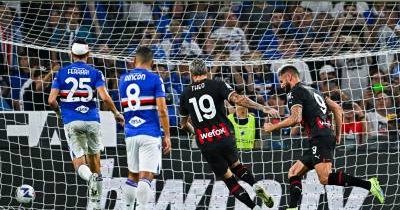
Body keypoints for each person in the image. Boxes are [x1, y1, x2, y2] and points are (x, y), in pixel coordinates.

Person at [263, 64, 385, 210]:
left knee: (325, 178)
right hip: (322, 136)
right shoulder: (314, 91)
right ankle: (292, 207)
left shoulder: (295, 92)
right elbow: (337, 108)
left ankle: (370, 184)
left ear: (289, 76)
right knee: (293, 172)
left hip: (319, 137)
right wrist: (338, 134)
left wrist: (272, 127)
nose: (282, 85)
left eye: (282, 81)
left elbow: (295, 118)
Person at [179, 59, 279, 210]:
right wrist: (262, 108)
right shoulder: (217, 84)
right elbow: (238, 99)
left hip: (207, 143)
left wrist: (195, 133)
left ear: (192, 74)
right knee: (237, 166)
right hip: (224, 136)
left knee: (229, 180)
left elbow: (183, 124)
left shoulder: (185, 94)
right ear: (206, 71)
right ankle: (255, 184)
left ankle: (254, 207)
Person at [48, 39, 124, 210]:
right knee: (96, 163)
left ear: (71, 54)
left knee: (79, 164)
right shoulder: (95, 72)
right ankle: (96, 205)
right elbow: (105, 97)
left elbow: (51, 100)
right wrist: (117, 113)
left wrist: (60, 112)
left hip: (71, 120)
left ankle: (89, 178)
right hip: (91, 120)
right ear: (88, 55)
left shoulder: (61, 73)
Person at [118, 46, 171, 210]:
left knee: (132, 176)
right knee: (146, 176)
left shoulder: (123, 79)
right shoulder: (155, 79)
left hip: (130, 132)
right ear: (153, 62)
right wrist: (167, 135)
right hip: (149, 132)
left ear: (134, 60)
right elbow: (162, 109)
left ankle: (127, 207)